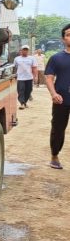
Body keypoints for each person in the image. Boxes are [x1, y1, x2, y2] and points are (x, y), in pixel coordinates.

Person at [45, 23, 70, 169]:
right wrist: (54, 94)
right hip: (62, 100)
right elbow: (49, 77)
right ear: (63, 39)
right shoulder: (56, 58)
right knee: (58, 129)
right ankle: (54, 156)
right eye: (68, 34)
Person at [14, 44, 37, 109]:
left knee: (28, 90)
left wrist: (35, 76)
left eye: (26, 50)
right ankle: (22, 103)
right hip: (20, 78)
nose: (25, 51)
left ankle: (25, 102)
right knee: (21, 90)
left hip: (29, 77)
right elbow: (14, 67)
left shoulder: (32, 58)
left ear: (28, 51)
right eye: (24, 50)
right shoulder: (17, 59)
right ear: (21, 51)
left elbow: (34, 68)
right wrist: (14, 75)